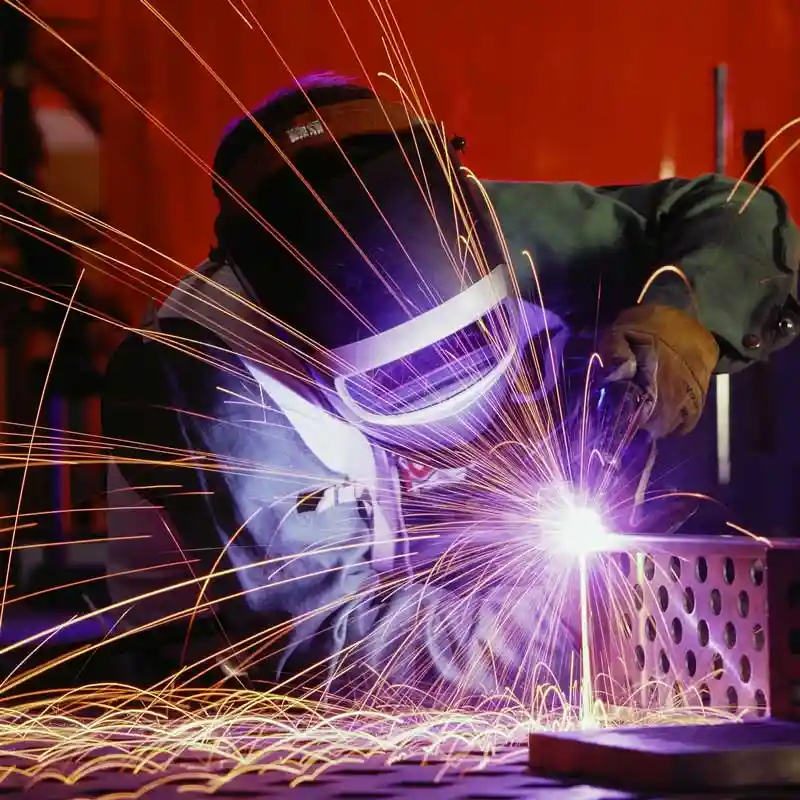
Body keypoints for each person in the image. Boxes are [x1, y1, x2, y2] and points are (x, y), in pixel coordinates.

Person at [101, 73, 799, 704]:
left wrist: (686, 306)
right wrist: (590, 623)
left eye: (471, 338)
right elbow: (335, 649)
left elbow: (732, 214)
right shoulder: (217, 381)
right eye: (393, 377)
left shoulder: (484, 225)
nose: (444, 396)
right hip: (226, 699)